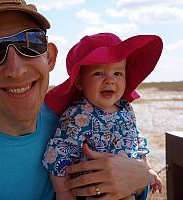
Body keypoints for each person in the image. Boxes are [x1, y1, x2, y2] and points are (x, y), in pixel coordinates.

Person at [0, 0, 153, 199]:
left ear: (50, 57)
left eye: (30, 44)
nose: (16, 69)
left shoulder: (70, 117)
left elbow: (126, 170)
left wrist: (141, 177)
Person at [42, 33, 163, 200]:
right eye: (99, 73)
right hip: (93, 192)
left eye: (118, 73)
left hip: (127, 189)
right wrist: (63, 193)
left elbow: (136, 142)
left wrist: (148, 171)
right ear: (79, 82)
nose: (110, 80)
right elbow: (58, 155)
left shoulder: (126, 109)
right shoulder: (78, 116)